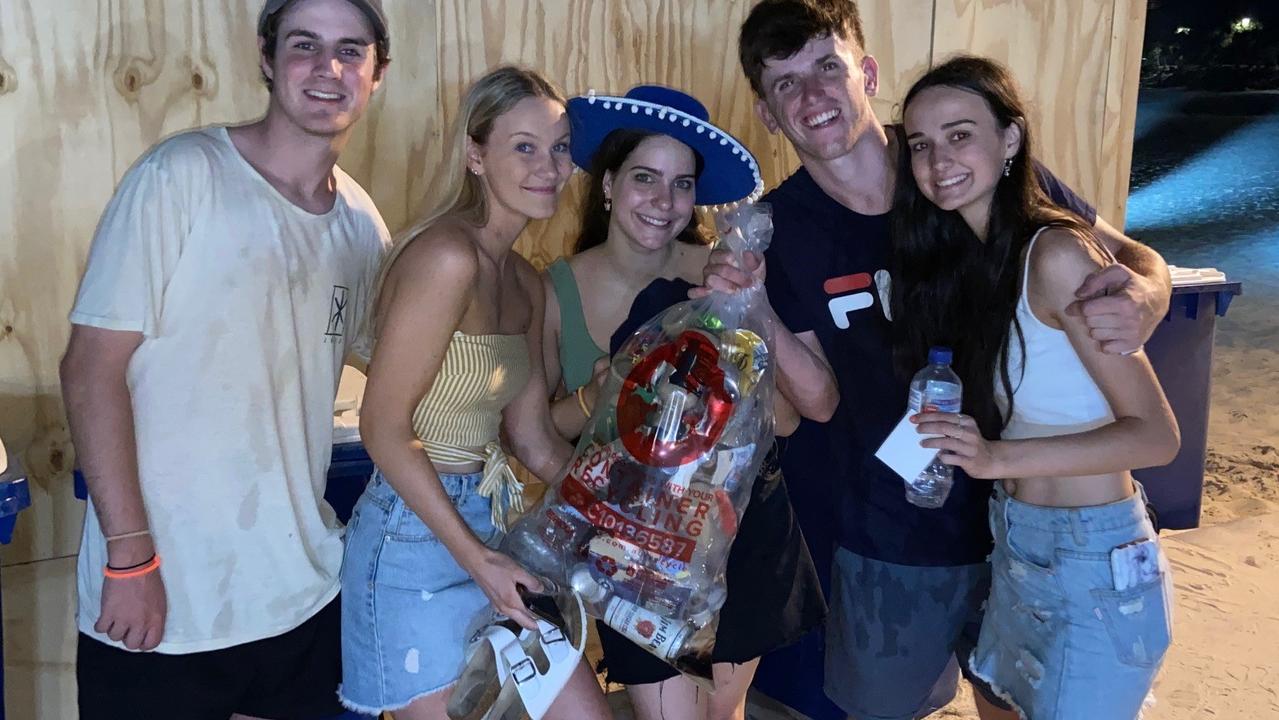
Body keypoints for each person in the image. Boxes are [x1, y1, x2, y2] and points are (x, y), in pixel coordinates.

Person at [696, 2, 1178, 719]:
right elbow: (819, 400)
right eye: (785, 84)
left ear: (865, 72)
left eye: (827, 67)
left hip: (1020, 514)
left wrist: (1147, 293)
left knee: (1016, 700)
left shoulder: (960, 162)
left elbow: (1124, 256)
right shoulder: (783, 228)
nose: (813, 95)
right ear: (768, 114)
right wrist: (754, 307)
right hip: (893, 532)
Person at [60, 0, 392, 718]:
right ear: (268, 59)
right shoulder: (180, 176)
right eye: (305, 45)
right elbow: (91, 369)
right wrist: (130, 555)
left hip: (304, 594)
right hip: (162, 597)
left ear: (377, 74)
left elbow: (408, 368)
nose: (327, 69)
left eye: (350, 50)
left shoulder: (362, 225)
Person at [542, 85, 835, 720]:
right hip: (638, 544)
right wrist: (607, 389)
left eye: (681, 184)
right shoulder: (557, 287)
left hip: (739, 536)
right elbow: (544, 426)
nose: (663, 201)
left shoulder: (726, 278)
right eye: (645, 177)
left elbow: (781, 421)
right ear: (610, 183)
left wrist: (739, 317)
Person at [897, 55, 1177, 719]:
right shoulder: (972, 261)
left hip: (1091, 550)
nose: (938, 161)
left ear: (1010, 140)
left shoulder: (1052, 254)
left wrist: (995, 460)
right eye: (920, 145)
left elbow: (1157, 435)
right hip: (1018, 539)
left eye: (960, 134)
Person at [336, 65, 610, 720]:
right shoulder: (445, 258)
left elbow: (531, 437)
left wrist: (618, 519)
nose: (549, 166)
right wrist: (477, 559)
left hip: (493, 527)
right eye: (524, 147)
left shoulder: (527, 282)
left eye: (560, 147)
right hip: (412, 542)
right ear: (473, 155)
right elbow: (383, 427)